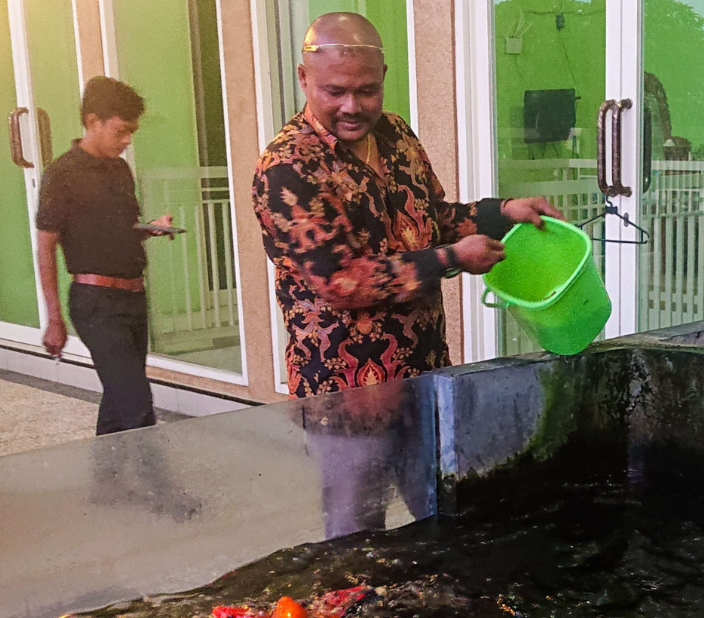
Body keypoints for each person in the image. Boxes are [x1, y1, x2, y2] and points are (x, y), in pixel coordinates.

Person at [253, 12, 562, 398]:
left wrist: (503, 212)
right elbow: (340, 281)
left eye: (367, 90)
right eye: (335, 91)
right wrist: (450, 259)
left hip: (425, 367)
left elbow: (434, 220)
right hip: (343, 389)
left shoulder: (395, 134)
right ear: (304, 78)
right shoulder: (289, 166)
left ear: (382, 75)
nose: (352, 106)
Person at [36, 76, 176, 435]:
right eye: (121, 131)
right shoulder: (62, 174)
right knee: (136, 403)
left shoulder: (119, 169)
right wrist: (54, 318)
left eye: (132, 132)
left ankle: (106, 482)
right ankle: (159, 490)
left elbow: (117, 231)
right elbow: (46, 247)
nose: (128, 140)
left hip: (132, 298)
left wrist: (149, 228)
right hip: (95, 302)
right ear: (93, 121)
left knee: (119, 399)